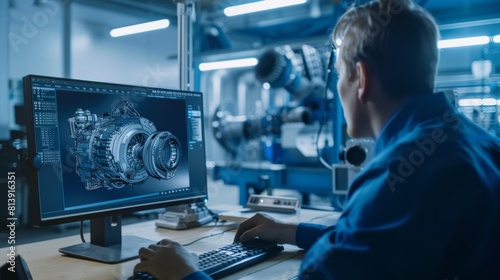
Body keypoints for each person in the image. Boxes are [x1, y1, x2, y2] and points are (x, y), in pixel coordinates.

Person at [133, 0, 500, 279]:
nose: (338, 88)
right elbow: (388, 234)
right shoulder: (476, 144)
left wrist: (187, 273)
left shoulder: (396, 175)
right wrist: (293, 231)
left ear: (362, 78)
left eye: (339, 75)